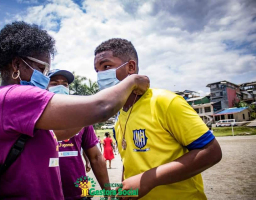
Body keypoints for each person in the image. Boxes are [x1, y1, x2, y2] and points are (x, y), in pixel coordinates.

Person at [0, 22, 149, 199]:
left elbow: (61, 132)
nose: (44, 78)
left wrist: (80, 116)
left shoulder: (2, 101)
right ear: (16, 65)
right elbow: (101, 108)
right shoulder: (14, 97)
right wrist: (133, 81)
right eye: (42, 69)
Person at [94, 38, 222, 199]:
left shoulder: (165, 102)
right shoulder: (120, 117)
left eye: (106, 67)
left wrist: (148, 179)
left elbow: (212, 152)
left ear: (131, 67)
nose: (100, 76)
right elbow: (130, 164)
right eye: (97, 71)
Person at [48, 69, 111, 200]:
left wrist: (108, 193)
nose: (60, 87)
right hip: (45, 193)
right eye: (54, 83)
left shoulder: (81, 118)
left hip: (79, 194)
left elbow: (96, 157)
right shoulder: (35, 117)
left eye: (65, 84)